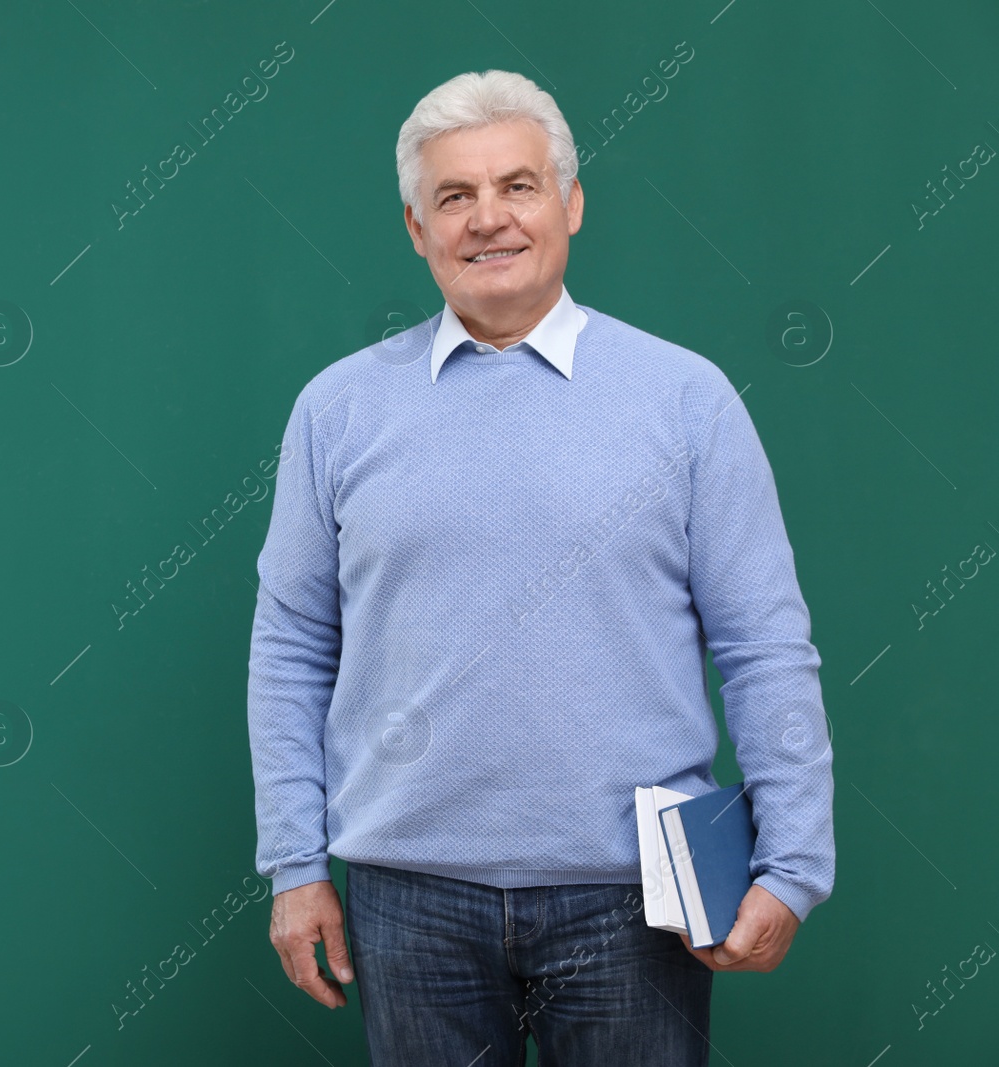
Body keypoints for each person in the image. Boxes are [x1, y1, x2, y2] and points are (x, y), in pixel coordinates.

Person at [245, 69, 835, 1066]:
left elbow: (764, 642)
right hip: (406, 896)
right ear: (415, 228)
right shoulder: (336, 411)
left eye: (516, 186)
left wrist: (793, 861)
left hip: (637, 895)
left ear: (569, 203)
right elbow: (290, 644)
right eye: (454, 196)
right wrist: (294, 863)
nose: (488, 219)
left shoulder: (685, 401)